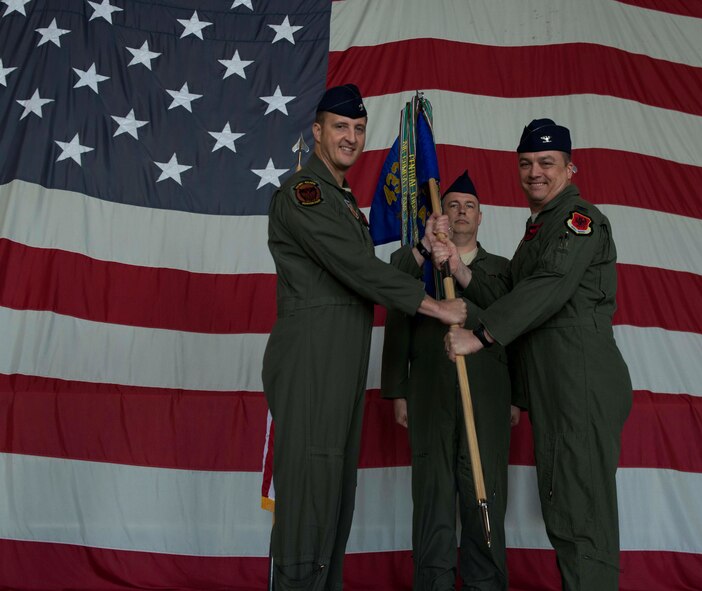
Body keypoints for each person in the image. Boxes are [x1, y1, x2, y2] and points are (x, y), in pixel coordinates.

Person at [262, 84, 466, 591]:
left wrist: (420, 250)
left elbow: (363, 269)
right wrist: (435, 305)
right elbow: (356, 268)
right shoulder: (303, 194)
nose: (351, 137)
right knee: (310, 501)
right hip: (312, 362)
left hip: (341, 362)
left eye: (357, 129)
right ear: (316, 132)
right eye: (339, 126)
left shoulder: (341, 199)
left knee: (335, 500)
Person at [437, 120, 633, 590]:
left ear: (569, 167)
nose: (534, 173)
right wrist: (459, 268)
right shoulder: (539, 228)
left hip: (578, 375)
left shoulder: (577, 219)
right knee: (564, 505)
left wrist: (478, 335)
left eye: (546, 163)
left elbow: (549, 287)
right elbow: (511, 289)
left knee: (581, 512)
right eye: (526, 164)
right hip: (554, 377)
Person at [381, 171, 522, 590]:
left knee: (485, 494)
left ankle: (485, 584)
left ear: (482, 217)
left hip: (488, 397)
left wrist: (519, 397)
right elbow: (395, 307)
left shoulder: (502, 270)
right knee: (433, 499)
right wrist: (397, 389)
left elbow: (516, 324)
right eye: (453, 205)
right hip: (429, 394)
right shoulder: (419, 266)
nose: (461, 212)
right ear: (441, 215)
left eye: (469, 206)